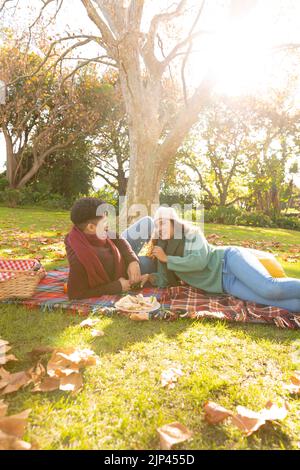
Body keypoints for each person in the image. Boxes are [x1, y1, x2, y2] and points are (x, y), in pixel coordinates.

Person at [144, 206, 300, 313]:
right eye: (156, 226)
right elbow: (165, 280)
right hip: (225, 284)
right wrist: (149, 277)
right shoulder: (162, 249)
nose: (159, 228)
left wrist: (167, 259)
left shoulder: (192, 234)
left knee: (269, 289)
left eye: (162, 223)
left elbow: (200, 261)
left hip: (229, 261)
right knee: (286, 304)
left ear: (173, 222)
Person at [64, 198, 156, 299]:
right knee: (159, 263)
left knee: (148, 222)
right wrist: (117, 286)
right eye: (105, 221)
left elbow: (117, 238)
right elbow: (75, 294)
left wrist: (132, 260)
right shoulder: (79, 259)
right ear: (91, 227)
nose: (108, 224)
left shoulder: (91, 232)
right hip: (120, 272)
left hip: (120, 255)